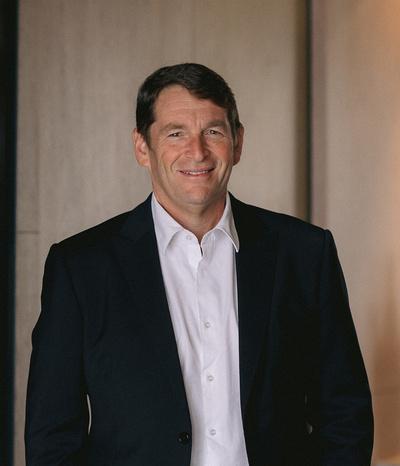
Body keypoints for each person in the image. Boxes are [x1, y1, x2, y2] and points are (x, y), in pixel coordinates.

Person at [25, 63, 373, 465]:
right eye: (176, 133)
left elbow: (345, 414)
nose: (197, 151)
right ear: (142, 147)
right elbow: (52, 437)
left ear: (237, 143)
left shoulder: (305, 253)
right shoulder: (81, 268)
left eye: (213, 132)